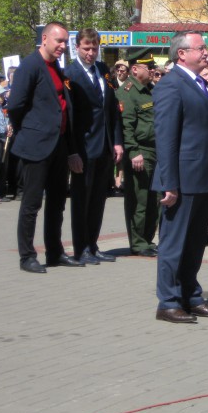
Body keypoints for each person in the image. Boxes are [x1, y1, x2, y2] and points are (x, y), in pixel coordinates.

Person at [152, 31, 208, 323]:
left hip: (203, 177)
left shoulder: (202, 84)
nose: (206, 52)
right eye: (200, 47)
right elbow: (166, 138)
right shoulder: (172, 85)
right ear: (181, 53)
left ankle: (190, 296)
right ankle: (168, 302)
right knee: (173, 244)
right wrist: (169, 182)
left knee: (195, 243)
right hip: (180, 180)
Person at [8, 22, 82, 273]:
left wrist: (70, 149)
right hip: (36, 145)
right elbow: (16, 105)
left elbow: (65, 108)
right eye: (59, 41)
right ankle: (27, 256)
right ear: (45, 38)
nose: (63, 46)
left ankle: (54, 251)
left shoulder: (56, 68)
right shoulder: (30, 66)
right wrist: (28, 131)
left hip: (58, 145)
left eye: (65, 42)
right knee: (31, 203)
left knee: (58, 201)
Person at [65, 28, 124, 265]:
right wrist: (72, 151)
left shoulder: (102, 71)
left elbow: (112, 110)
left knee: (99, 198)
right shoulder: (70, 73)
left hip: (105, 144)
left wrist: (117, 141)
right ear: (77, 47)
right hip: (84, 146)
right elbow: (70, 116)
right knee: (82, 200)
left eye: (94, 48)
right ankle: (81, 248)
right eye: (86, 48)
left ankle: (93, 243)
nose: (91, 53)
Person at [115, 48, 160, 257]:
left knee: (153, 200)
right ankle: (138, 241)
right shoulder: (127, 92)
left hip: (154, 151)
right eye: (148, 67)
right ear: (135, 69)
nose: (152, 71)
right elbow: (126, 127)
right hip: (141, 152)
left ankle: (147, 239)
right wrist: (133, 152)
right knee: (139, 200)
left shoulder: (148, 89)